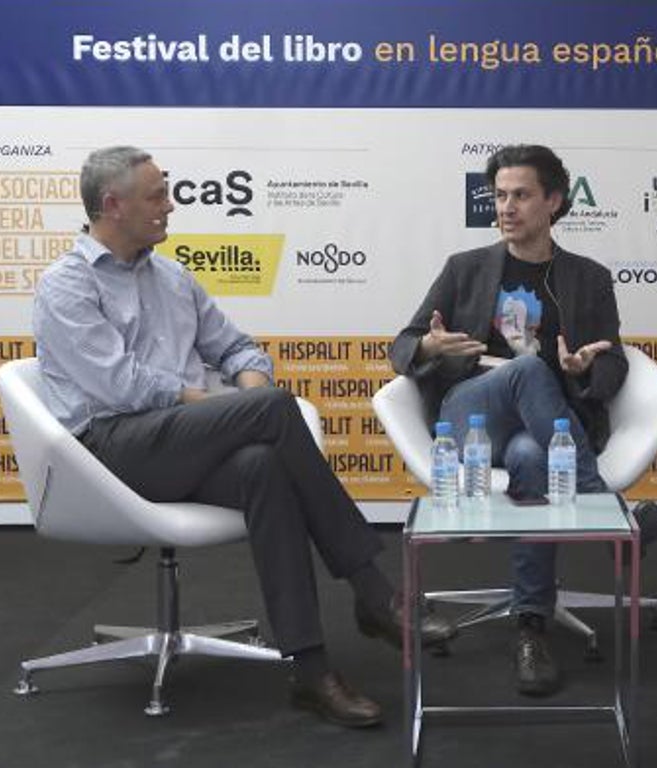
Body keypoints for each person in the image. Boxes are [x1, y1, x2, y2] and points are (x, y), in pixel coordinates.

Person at [32, 146, 456, 728]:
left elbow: (238, 349)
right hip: (113, 452)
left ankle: (310, 672)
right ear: (113, 204)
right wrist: (235, 404)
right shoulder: (66, 285)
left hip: (181, 439)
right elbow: (120, 385)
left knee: (262, 464)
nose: (169, 205)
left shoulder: (171, 277)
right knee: (270, 412)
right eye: (156, 195)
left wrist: (248, 389)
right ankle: (374, 592)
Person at [389, 144, 657, 697]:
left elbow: (611, 361)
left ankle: (530, 628)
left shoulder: (589, 278)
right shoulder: (464, 269)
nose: (506, 207)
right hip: (471, 418)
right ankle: (613, 522)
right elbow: (402, 346)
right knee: (526, 372)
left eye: (521, 196)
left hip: (543, 431)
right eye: (500, 196)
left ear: (554, 202)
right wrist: (431, 346)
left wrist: (585, 369)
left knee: (531, 458)